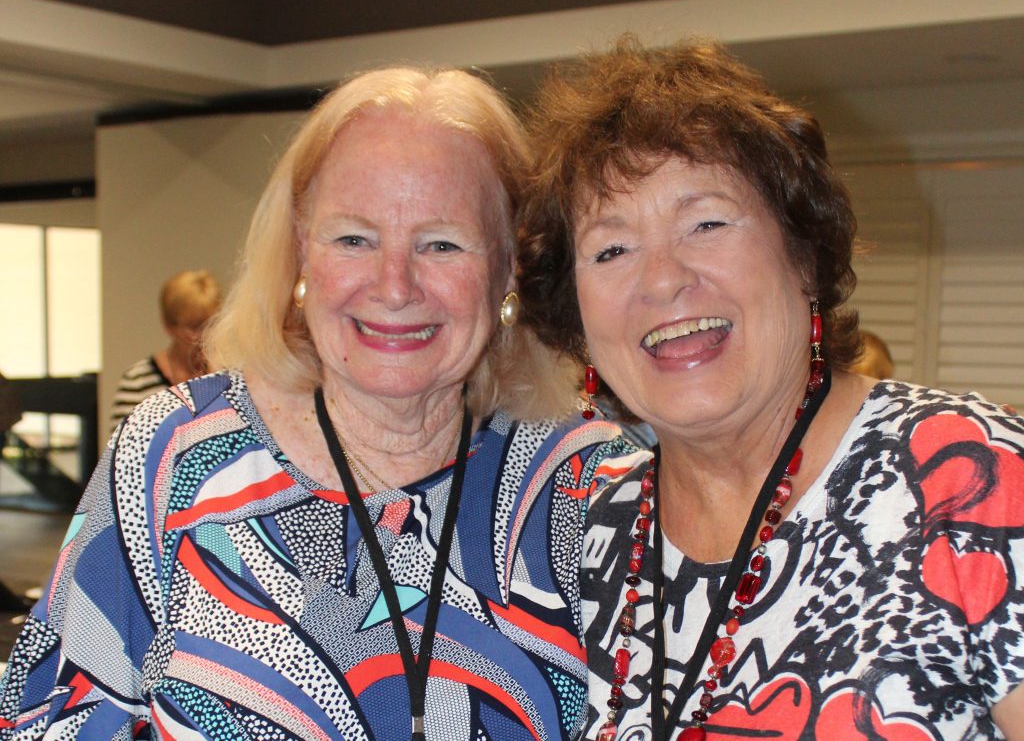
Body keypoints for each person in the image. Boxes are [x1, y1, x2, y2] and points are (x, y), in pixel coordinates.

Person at [0, 67, 641, 740]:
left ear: (509, 263)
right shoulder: (174, 455)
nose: (394, 286)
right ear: (302, 249)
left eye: (441, 244)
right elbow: (46, 720)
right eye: (354, 239)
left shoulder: (585, 483)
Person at [518, 37, 1024, 740]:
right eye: (612, 249)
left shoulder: (974, 479)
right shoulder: (590, 527)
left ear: (804, 255)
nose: (661, 279)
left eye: (706, 223)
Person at [108, 269, 221, 431]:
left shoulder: (229, 376)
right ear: (169, 326)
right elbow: (123, 443)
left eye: (211, 324)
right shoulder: (138, 381)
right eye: (194, 327)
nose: (204, 335)